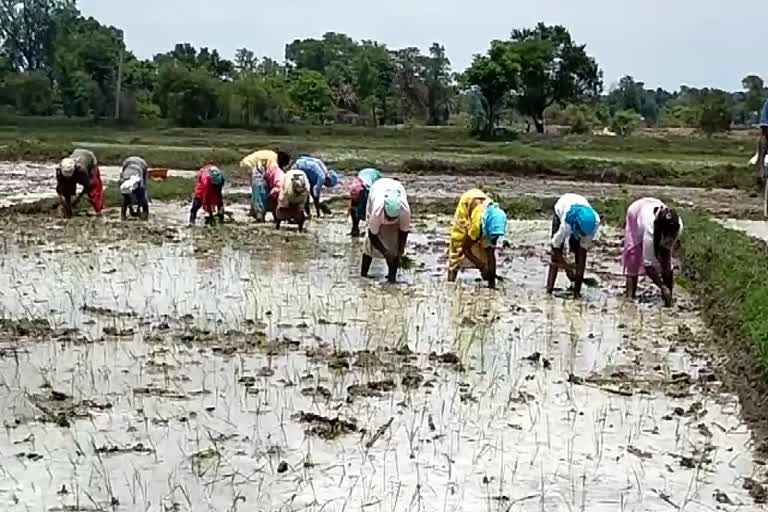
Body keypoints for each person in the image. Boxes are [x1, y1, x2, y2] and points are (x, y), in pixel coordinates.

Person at [623, 198, 683, 306]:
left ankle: (668, 300)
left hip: (653, 204)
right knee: (633, 255)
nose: (669, 239)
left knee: (665, 259)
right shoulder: (650, 228)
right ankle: (629, 299)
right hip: (636, 212)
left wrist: (667, 286)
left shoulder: (678, 225)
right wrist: (662, 286)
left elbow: (667, 259)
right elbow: (648, 264)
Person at [447, 189, 508, 289]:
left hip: (482, 204)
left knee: (487, 249)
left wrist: (491, 279)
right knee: (457, 247)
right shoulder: (477, 227)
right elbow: (465, 249)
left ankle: (491, 284)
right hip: (467, 203)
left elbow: (491, 252)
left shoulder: (496, 220)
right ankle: (450, 283)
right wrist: (481, 266)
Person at [546, 193, 601, 298]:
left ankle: (576, 292)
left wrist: (578, 275)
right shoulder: (566, 224)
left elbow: (582, 252)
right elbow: (555, 246)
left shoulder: (594, 223)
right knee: (555, 258)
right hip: (563, 205)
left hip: (581, 211)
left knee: (579, 252)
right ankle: (549, 291)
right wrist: (567, 269)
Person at [361, 178, 411, 283]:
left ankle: (392, 277)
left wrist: (400, 250)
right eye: (389, 218)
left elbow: (403, 233)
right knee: (369, 244)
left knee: (394, 244)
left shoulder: (404, 210)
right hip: (378, 188)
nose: (390, 221)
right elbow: (372, 235)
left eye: (393, 219)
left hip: (396, 188)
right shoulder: (377, 210)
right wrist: (385, 252)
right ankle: (363, 275)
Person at [240, 150, 292, 220]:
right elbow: (271, 173)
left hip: (248, 163)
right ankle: (258, 212)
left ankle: (254, 210)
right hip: (251, 165)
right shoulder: (273, 160)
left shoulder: (272, 155)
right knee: (259, 188)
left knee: (256, 189)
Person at [55, 148, 104, 218]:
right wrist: (65, 202)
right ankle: (69, 211)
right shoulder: (59, 172)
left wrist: (78, 199)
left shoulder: (81, 171)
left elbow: (88, 186)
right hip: (77, 155)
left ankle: (98, 210)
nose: (68, 177)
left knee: (94, 188)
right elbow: (60, 189)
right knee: (67, 190)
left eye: (69, 175)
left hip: (90, 158)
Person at [349, 168, 382, 237]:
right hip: (363, 174)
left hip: (374, 176)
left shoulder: (369, 190)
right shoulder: (354, 187)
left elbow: (371, 208)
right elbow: (352, 208)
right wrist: (355, 226)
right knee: (354, 208)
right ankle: (355, 227)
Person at [119, 156, 150, 220]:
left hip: (139, 166)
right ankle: (143, 214)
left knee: (141, 193)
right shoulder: (124, 183)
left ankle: (143, 213)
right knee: (127, 198)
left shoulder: (137, 180)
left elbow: (143, 186)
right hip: (128, 165)